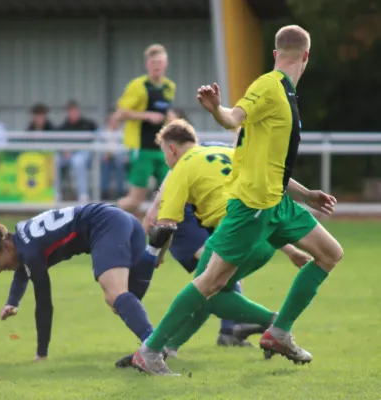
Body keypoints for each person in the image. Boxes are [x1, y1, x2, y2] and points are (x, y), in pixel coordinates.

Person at [132, 25, 343, 375]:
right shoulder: (268, 85)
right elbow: (233, 118)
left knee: (329, 254)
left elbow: (267, 160)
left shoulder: (287, 94)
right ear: (306, 56)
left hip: (277, 202)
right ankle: (150, 351)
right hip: (252, 207)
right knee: (211, 282)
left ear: (278, 53)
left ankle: (278, 331)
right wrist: (217, 109)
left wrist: (306, 195)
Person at [116, 120, 310, 370]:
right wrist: (291, 248)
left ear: (172, 149)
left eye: (164, 152)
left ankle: (274, 324)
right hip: (266, 240)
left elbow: (163, 223)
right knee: (210, 288)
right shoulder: (226, 151)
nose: (165, 160)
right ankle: (167, 347)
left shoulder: (182, 168)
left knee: (204, 292)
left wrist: (155, 254)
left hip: (235, 236)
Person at [0, 204, 176, 361]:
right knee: (127, 300)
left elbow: (44, 304)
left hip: (103, 224)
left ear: (6, 246)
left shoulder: (30, 253)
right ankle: (153, 249)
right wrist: (12, 301)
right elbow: (23, 269)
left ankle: (153, 347)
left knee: (115, 295)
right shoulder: (22, 237)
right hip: (122, 218)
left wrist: (41, 353)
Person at [111, 44, 176, 214]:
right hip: (141, 148)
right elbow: (120, 113)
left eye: (160, 62)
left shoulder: (169, 87)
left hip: (161, 148)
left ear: (165, 64)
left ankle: (164, 233)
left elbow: (165, 110)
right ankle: (107, 215)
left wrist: (175, 123)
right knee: (135, 200)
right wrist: (146, 115)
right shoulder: (138, 86)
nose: (156, 66)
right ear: (147, 65)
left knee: (168, 193)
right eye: (153, 62)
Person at [57, 100, 98, 203]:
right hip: (67, 154)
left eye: (75, 111)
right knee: (56, 161)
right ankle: (55, 193)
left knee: (78, 161)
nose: (73, 114)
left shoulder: (89, 124)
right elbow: (59, 142)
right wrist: (65, 150)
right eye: (71, 111)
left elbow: (97, 137)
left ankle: (83, 194)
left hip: (85, 153)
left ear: (78, 111)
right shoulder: (63, 126)